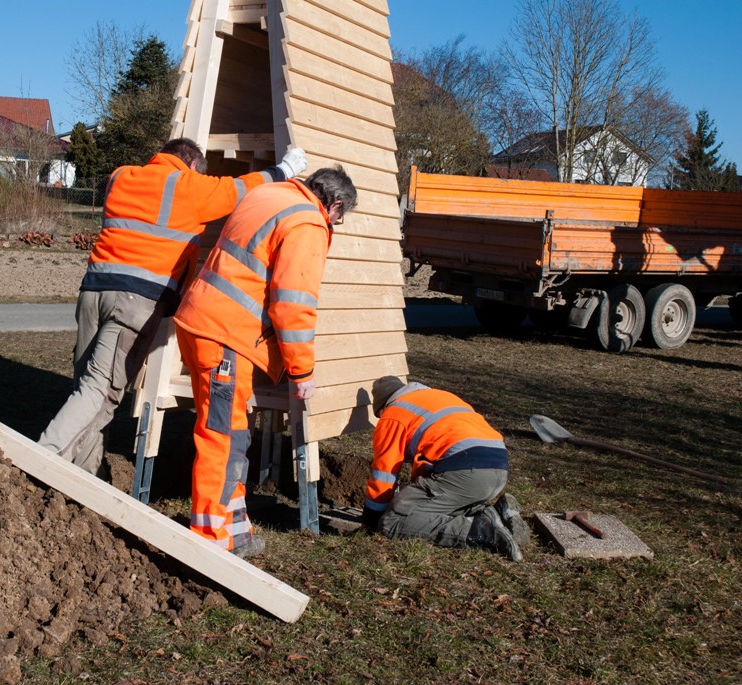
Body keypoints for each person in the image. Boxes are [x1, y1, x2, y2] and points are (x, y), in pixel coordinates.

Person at [38, 138, 309, 475]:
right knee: (101, 391)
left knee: (88, 390)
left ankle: (81, 477)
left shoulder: (120, 176)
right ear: (193, 165)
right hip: (135, 302)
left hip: (94, 291)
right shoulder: (188, 186)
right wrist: (285, 169)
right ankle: (42, 459)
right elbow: (240, 189)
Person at [173, 166, 358, 557]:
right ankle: (208, 540)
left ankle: (235, 532)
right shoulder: (308, 221)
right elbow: (294, 304)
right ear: (334, 205)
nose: (335, 226)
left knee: (233, 431)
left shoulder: (269, 196)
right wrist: (301, 371)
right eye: (339, 219)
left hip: (201, 324)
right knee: (222, 438)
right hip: (226, 335)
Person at [361, 376, 529, 561]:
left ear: (383, 407)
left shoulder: (393, 414)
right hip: (498, 467)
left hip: (464, 471)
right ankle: (496, 515)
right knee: (435, 507)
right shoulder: (441, 397)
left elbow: (384, 475)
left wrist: (372, 518)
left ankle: (482, 531)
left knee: (393, 520)